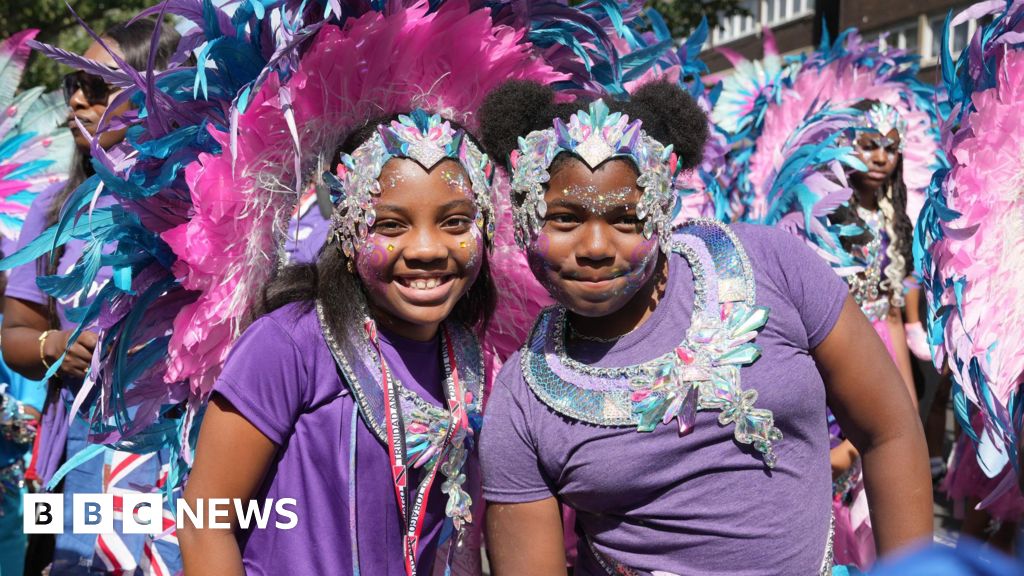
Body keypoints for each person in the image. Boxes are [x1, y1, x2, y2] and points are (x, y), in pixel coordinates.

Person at [476, 79, 932, 575]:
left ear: (662, 211)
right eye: (564, 218)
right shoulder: (522, 398)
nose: (595, 247)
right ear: (523, 219)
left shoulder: (770, 266)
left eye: (627, 219)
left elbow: (889, 430)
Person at [179, 111, 495, 575]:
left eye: (454, 222)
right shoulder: (289, 344)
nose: (427, 249)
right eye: (390, 225)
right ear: (347, 231)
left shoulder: (466, 355)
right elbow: (203, 521)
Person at [1, 18, 183, 574]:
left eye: (97, 86)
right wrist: (54, 344)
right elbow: (14, 336)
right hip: (85, 450)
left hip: (185, 451)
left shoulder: (206, 203)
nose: (78, 99)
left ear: (156, 91)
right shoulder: (55, 212)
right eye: (71, 85)